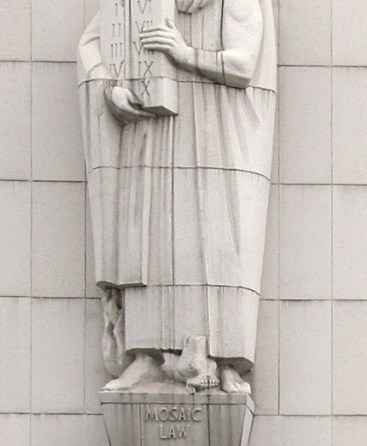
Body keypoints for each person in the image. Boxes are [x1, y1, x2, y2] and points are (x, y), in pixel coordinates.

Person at [77, 0, 278, 396]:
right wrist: (110, 88)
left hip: (215, 134)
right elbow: (93, 45)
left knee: (216, 240)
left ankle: (223, 359)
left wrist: (182, 52)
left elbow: (242, 65)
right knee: (151, 237)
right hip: (152, 134)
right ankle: (147, 357)